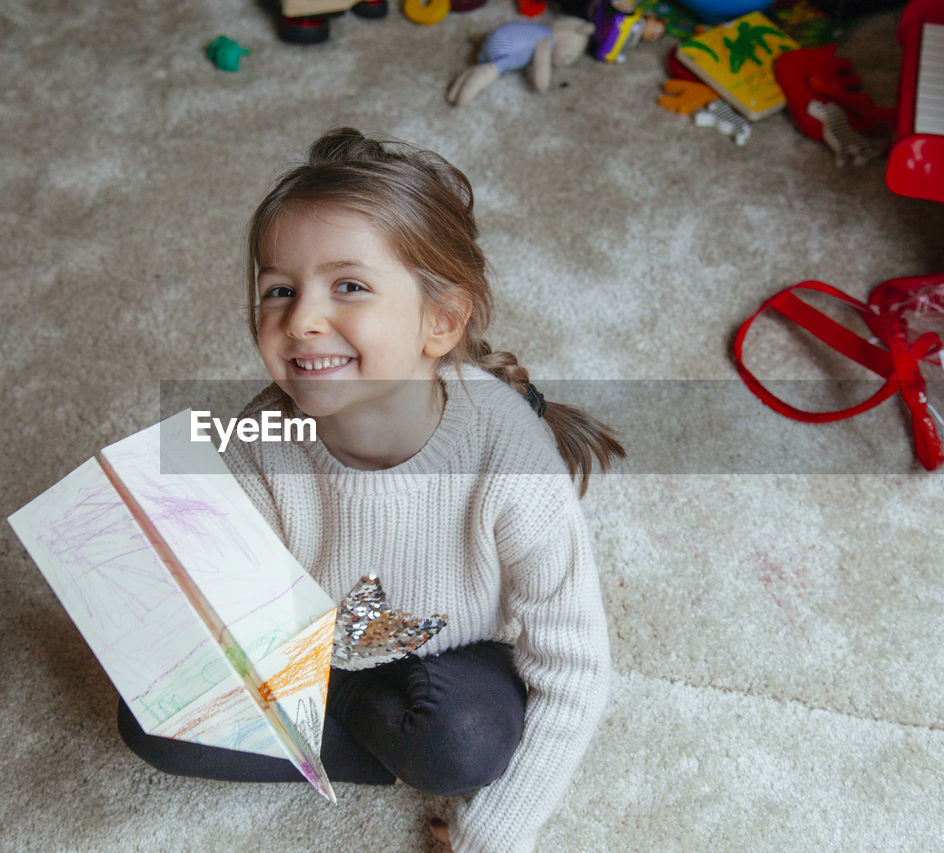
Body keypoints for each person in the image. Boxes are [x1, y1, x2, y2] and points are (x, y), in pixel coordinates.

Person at [117, 127, 623, 852]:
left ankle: (369, 733)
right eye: (279, 290)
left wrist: (493, 835)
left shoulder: (511, 458)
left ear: (439, 321)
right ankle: (361, 741)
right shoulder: (257, 435)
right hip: (308, 649)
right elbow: (238, 599)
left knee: (467, 741)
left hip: (446, 654)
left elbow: (575, 667)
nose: (302, 319)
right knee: (149, 716)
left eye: (348, 286)